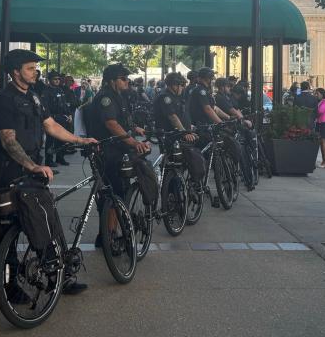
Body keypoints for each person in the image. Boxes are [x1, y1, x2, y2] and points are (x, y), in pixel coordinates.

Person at [0, 49, 95, 292]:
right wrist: (32, 165)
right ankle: (9, 286)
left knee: (46, 220)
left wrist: (79, 140)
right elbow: (8, 140)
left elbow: (51, 125)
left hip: (32, 172)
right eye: (30, 68)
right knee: (5, 233)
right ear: (15, 72)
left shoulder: (34, 97)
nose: (35, 72)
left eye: (35, 68)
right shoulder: (2, 100)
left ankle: (59, 277)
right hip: (8, 173)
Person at [83, 64, 151, 227]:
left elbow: (121, 120)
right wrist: (133, 142)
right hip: (108, 152)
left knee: (119, 191)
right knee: (113, 194)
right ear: (112, 81)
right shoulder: (106, 97)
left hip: (117, 151)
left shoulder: (118, 95)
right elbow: (111, 124)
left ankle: (110, 233)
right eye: (123, 78)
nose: (127, 81)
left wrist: (135, 128)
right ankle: (109, 234)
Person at [154, 72, 206, 186]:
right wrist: (184, 132)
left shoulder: (178, 97)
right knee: (174, 164)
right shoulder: (165, 97)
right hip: (170, 136)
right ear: (169, 85)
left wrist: (189, 126)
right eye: (177, 85)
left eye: (182, 85)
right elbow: (172, 117)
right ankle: (175, 189)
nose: (180, 87)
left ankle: (187, 185)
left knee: (185, 161)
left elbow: (182, 114)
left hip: (180, 134)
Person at [215, 77, 256, 190]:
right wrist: (243, 120)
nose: (229, 88)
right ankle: (248, 180)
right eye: (228, 86)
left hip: (229, 126)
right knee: (241, 151)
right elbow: (232, 110)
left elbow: (235, 109)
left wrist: (242, 118)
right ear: (222, 87)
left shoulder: (224, 97)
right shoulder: (221, 98)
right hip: (227, 129)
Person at [42, 69, 77, 170]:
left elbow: (65, 104)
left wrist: (69, 115)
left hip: (63, 118)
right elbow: (45, 107)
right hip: (53, 118)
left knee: (61, 140)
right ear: (49, 80)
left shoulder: (60, 90)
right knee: (51, 141)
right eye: (55, 79)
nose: (57, 81)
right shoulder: (46, 91)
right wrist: (51, 118)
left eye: (58, 79)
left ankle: (60, 157)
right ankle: (49, 160)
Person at [313, 88, 325, 169]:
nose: (316, 95)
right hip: (320, 123)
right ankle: (324, 160)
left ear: (322, 94)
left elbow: (320, 111)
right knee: (321, 143)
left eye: (317, 94)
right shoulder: (320, 102)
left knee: (324, 142)